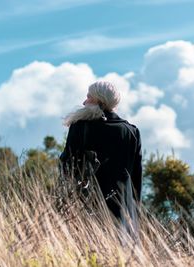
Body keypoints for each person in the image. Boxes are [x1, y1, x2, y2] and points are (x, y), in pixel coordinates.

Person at [60, 81, 142, 220]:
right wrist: (134, 214)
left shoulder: (80, 126)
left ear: (99, 100)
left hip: (86, 207)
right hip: (122, 210)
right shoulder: (132, 131)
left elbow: (67, 165)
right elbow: (136, 177)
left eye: (88, 97)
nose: (84, 102)